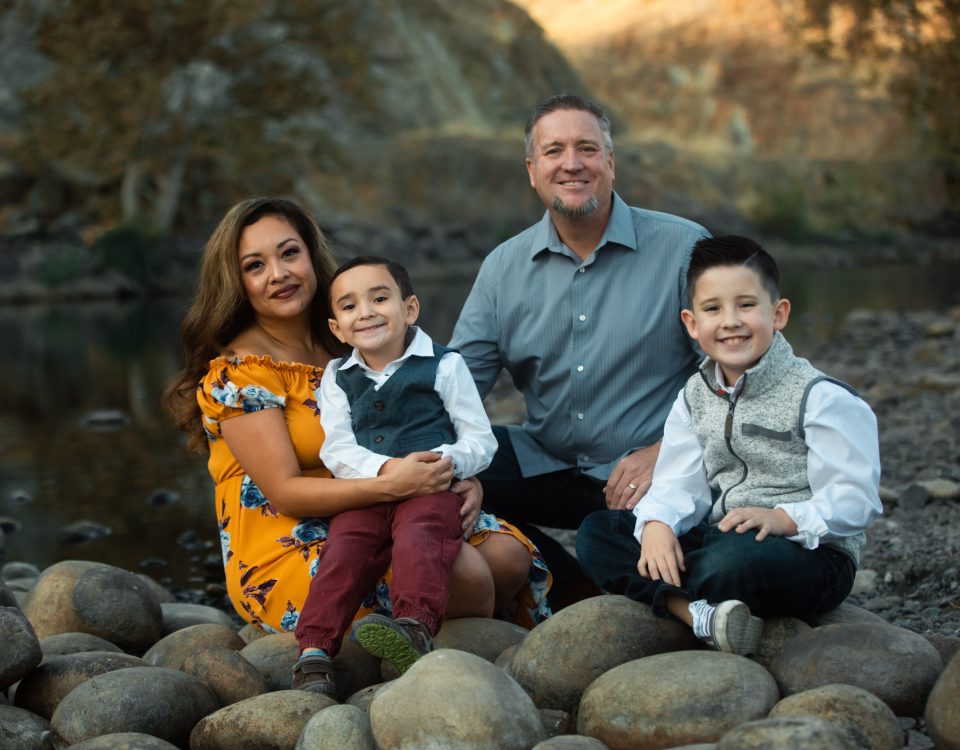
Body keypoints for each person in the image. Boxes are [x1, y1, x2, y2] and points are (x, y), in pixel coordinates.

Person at [164, 197, 550, 694]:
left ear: (312, 256)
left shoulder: (352, 342)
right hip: (291, 533)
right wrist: (398, 484)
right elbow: (285, 493)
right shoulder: (241, 373)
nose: (278, 274)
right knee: (469, 574)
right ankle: (421, 672)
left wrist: (455, 475)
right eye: (255, 266)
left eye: (289, 253)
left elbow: (423, 423)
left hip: (392, 498)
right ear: (235, 282)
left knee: (508, 555)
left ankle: (440, 646)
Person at [450, 92, 710, 606]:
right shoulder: (503, 268)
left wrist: (667, 453)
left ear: (610, 163)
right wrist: (454, 469)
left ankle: (611, 588)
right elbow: (453, 387)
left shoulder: (684, 248)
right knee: (441, 475)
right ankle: (571, 587)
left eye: (587, 149)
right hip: (550, 462)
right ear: (532, 169)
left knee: (622, 533)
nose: (572, 164)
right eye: (554, 151)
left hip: (653, 472)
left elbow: (736, 374)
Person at [575, 235, 882, 654]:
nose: (731, 321)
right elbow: (678, 485)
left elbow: (856, 502)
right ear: (692, 323)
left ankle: (680, 597)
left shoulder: (821, 398)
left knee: (728, 562)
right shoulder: (695, 394)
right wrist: (658, 526)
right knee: (598, 532)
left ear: (778, 314)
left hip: (809, 555)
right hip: (720, 533)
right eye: (713, 309)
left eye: (747, 305)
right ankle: (696, 613)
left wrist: (783, 519)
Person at [290, 255, 498, 694]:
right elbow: (337, 449)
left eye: (379, 298)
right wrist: (385, 471)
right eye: (349, 306)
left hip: (430, 487)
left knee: (422, 537)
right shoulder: (337, 377)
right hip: (366, 492)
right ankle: (314, 650)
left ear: (410, 309)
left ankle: (413, 627)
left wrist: (445, 464)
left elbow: (480, 439)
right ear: (337, 329)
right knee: (344, 550)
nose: (365, 311)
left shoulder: (444, 365)